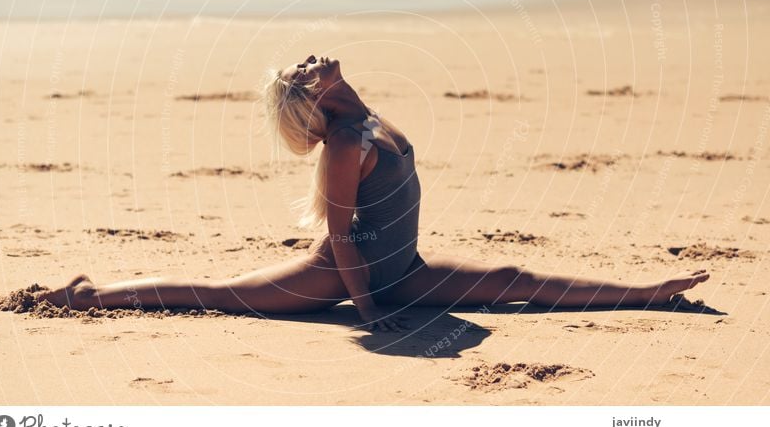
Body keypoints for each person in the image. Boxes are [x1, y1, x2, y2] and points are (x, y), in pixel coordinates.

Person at [37, 55, 709, 331]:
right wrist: (368, 308)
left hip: (405, 268)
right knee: (220, 295)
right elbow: (340, 237)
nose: (313, 58)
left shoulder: (367, 119)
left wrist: (389, 287)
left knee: (512, 276)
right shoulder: (344, 144)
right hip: (341, 275)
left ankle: (650, 291)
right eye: (302, 68)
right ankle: (90, 295)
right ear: (314, 94)